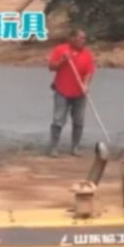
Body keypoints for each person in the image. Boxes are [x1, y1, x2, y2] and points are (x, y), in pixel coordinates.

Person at [46, 28, 95, 157]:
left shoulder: (86, 54)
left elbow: (89, 72)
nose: (83, 41)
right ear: (72, 39)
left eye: (84, 38)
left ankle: (75, 147)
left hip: (79, 92)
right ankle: (53, 147)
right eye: (80, 38)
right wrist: (62, 60)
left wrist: (85, 85)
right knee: (58, 120)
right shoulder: (61, 50)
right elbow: (51, 67)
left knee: (79, 121)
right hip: (62, 90)